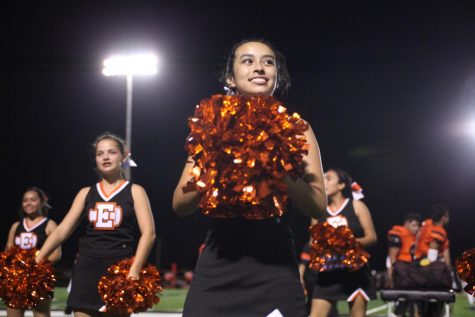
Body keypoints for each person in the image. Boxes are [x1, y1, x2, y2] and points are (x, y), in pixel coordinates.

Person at [173, 39, 327, 317]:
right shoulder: (209, 125)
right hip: (219, 261)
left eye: (268, 62)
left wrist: (275, 167)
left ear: (276, 76)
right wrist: (214, 164)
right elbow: (180, 205)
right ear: (230, 77)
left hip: (274, 264)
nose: (260, 67)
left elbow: (317, 205)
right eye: (248, 60)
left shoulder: (298, 128)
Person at [35, 132, 156, 317]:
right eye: (100, 153)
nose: (105, 157)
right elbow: (61, 231)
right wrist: (39, 258)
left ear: (123, 156)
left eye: (111, 152)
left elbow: (149, 234)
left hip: (119, 271)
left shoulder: (135, 191)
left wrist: (135, 270)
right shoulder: (86, 193)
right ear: (96, 159)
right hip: (86, 269)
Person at [310, 168, 377, 317]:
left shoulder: (356, 206)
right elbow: (311, 242)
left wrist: (347, 243)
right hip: (328, 272)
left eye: (328, 178)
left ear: (341, 185)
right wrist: (324, 244)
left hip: (355, 271)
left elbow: (371, 237)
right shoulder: (318, 211)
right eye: (323, 178)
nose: (324, 182)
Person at [5, 187, 61, 317]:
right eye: (25, 200)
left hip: (39, 279)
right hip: (17, 280)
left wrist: (34, 269)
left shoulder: (50, 225)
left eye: (33, 200)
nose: (28, 203)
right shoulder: (16, 226)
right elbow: (8, 252)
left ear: (42, 202)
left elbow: (57, 254)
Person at [386, 213, 421, 317]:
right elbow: (392, 258)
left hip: (412, 271)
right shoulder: (398, 234)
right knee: (403, 303)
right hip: (402, 273)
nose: (417, 228)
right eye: (414, 225)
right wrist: (391, 276)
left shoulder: (415, 237)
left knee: (414, 303)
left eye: (418, 225)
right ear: (406, 223)